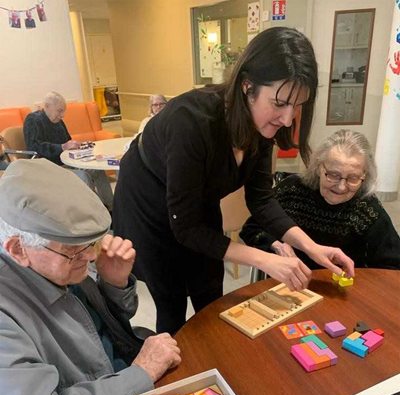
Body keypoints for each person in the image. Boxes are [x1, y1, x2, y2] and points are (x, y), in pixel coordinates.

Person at [113, 27, 354, 334]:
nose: (288, 118)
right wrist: (265, 260)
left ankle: (216, 360)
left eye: (298, 105)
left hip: (196, 202)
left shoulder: (261, 124)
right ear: (247, 85)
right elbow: (185, 227)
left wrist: (312, 246)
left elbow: (262, 200)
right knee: (171, 298)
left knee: (210, 287)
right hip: (148, 200)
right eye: (279, 103)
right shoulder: (190, 122)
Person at [0, 159, 181, 395]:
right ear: (17, 249)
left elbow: (99, 330)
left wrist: (112, 284)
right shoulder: (6, 319)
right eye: (73, 251)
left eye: (92, 244)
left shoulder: (53, 260)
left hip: (114, 387)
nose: (91, 257)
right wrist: (140, 374)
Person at [241, 129, 400, 270]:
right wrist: (276, 246)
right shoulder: (292, 190)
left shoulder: (367, 208)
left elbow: (393, 264)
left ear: (365, 175)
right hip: (287, 287)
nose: (341, 187)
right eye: (333, 175)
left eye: (353, 178)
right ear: (318, 167)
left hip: (341, 292)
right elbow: (251, 228)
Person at [23, 91, 114, 211]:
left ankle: (112, 209)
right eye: (60, 111)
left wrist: (79, 147)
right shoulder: (33, 120)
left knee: (97, 171)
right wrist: (62, 147)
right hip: (47, 166)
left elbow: (67, 142)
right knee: (83, 176)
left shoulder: (58, 121)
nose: (62, 115)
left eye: (63, 111)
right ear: (47, 106)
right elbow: (34, 147)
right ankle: (93, 213)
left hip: (66, 163)